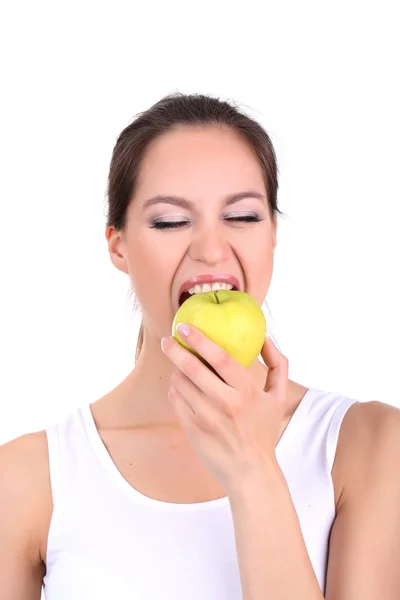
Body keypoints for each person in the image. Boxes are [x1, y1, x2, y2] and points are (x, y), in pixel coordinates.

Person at [1, 93, 399, 600]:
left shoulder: (369, 447)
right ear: (117, 245)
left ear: (273, 234)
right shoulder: (28, 479)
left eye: (244, 216)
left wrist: (253, 470)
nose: (211, 249)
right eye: (170, 221)